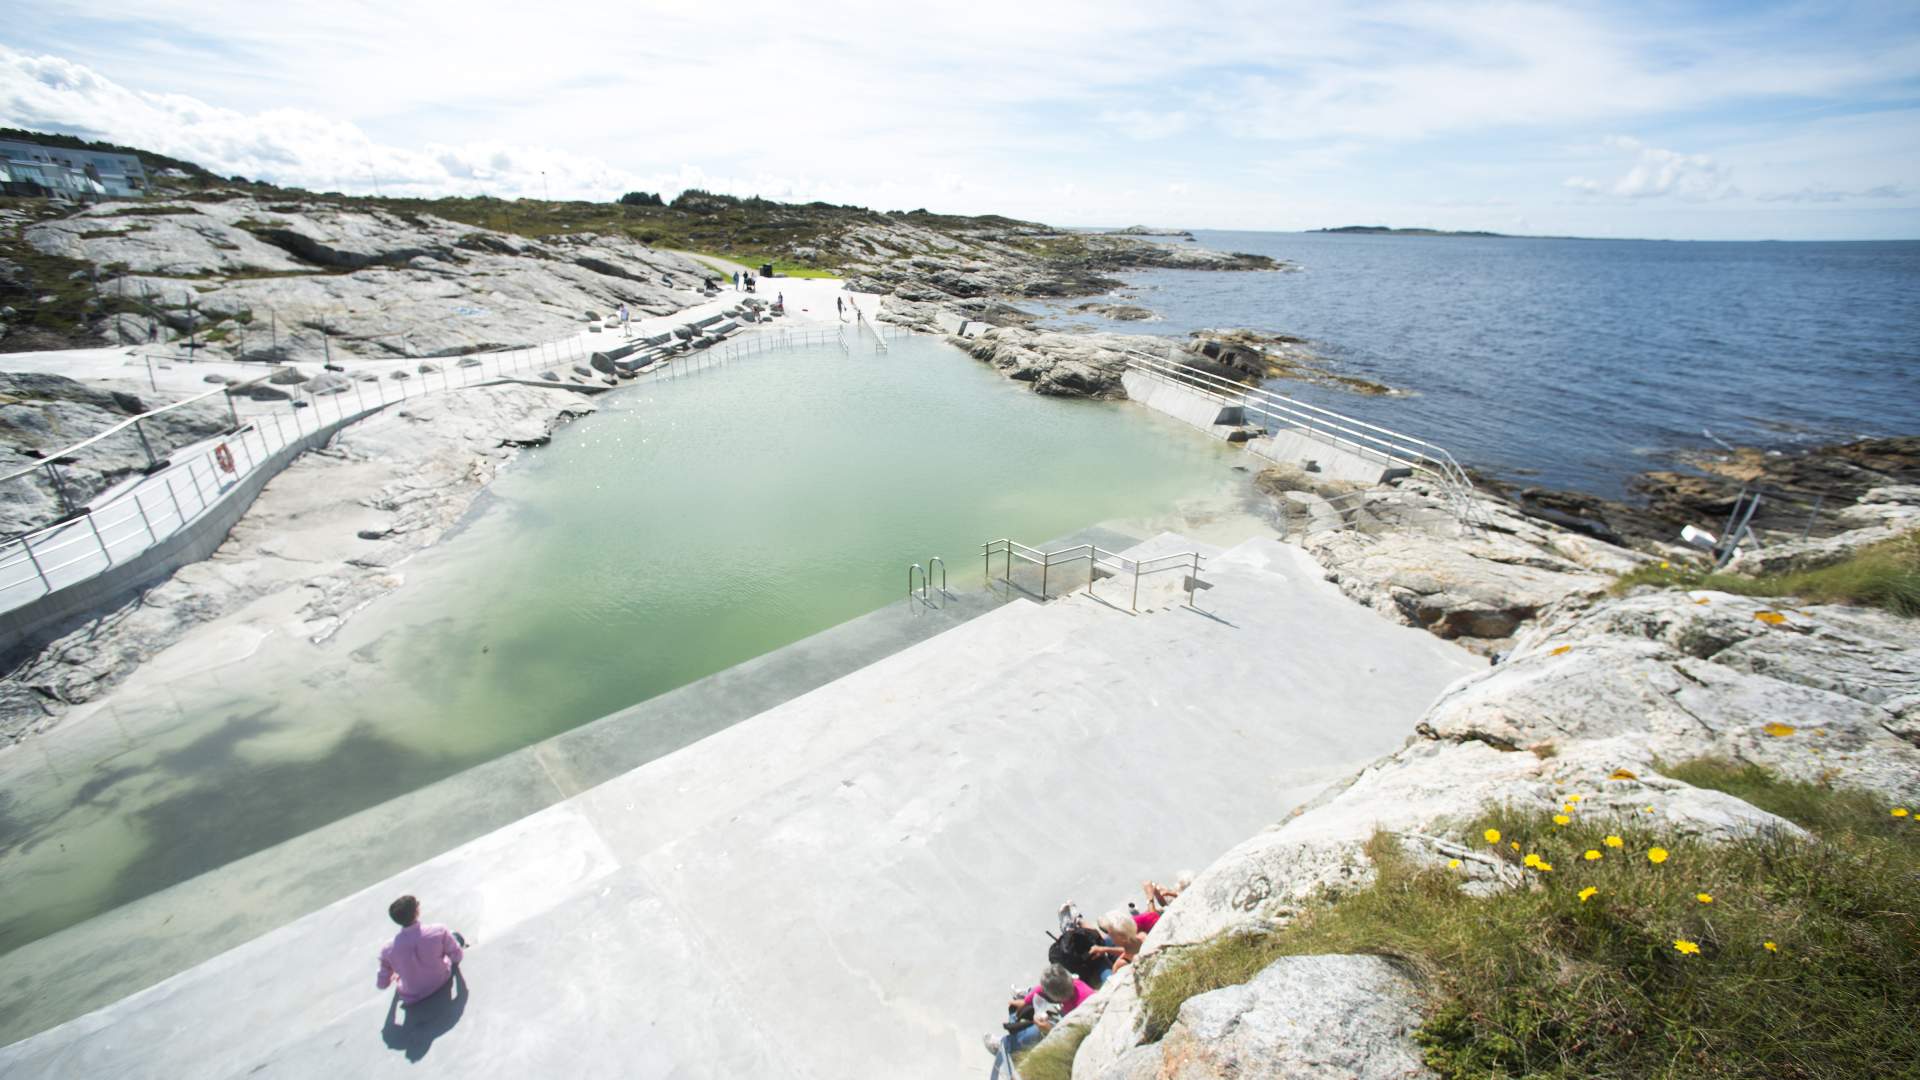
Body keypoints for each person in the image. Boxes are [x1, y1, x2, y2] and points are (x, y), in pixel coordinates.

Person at [984, 964, 1093, 1058]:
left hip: (1078, 1035)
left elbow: (1071, 1040)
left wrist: (1048, 1029)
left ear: (1056, 998)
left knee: (1036, 1031)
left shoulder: (1084, 1009)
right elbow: (1041, 989)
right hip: (1066, 1012)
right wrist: (1026, 1001)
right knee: (1037, 999)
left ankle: (1004, 1046)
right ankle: (1026, 993)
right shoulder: (1072, 983)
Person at [377, 894, 466, 1005]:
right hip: (442, 979)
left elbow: (382, 984)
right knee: (454, 935)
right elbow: (457, 956)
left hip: (412, 995)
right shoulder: (439, 930)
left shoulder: (387, 949)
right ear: (417, 911)